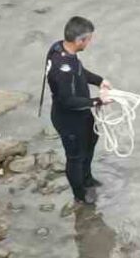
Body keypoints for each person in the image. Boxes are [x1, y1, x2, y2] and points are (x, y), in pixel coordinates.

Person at [43, 16, 112, 205]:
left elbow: (80, 71)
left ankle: (87, 179)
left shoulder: (60, 48)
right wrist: (98, 101)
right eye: (89, 39)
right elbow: (68, 101)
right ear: (80, 40)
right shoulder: (63, 69)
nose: (90, 42)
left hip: (82, 114)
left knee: (91, 140)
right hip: (68, 119)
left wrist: (99, 81)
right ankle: (80, 195)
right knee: (75, 157)